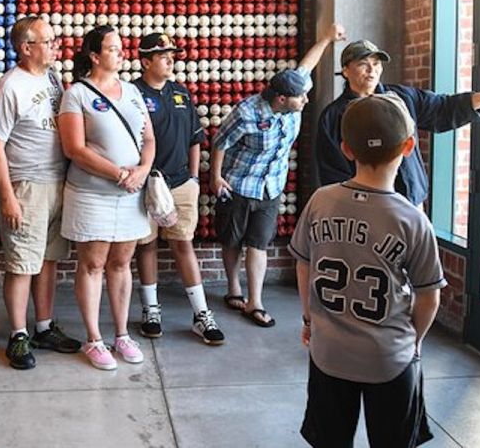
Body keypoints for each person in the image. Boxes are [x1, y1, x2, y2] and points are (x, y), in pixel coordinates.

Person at [290, 93, 446, 447]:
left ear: (346, 149)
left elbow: (304, 267)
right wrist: (414, 341)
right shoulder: (412, 218)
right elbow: (429, 297)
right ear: (408, 146)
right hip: (389, 357)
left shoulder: (321, 200)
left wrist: (309, 321)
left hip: (328, 352)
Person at [211, 23, 346, 328]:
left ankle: (254, 301)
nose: (306, 101)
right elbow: (221, 141)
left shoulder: (294, 90)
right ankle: (233, 288)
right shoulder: (247, 113)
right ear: (282, 99)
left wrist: (325, 37)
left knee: (259, 243)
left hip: (271, 187)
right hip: (240, 185)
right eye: (301, 98)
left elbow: (307, 65)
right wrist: (216, 178)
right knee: (232, 239)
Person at [316, 39, 480, 206]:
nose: (372, 70)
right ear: (345, 70)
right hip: (367, 208)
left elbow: (442, 108)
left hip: (412, 203)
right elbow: (332, 173)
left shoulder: (403, 97)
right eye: (363, 64)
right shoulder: (333, 116)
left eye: (376, 64)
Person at [0, 15, 81, 370]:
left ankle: (43, 326)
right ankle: (18, 334)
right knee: (22, 264)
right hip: (26, 186)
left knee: (48, 260)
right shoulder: (10, 85)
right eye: (49, 41)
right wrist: (7, 195)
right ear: (27, 48)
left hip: (58, 182)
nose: (55, 46)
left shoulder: (53, 79)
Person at [58, 25, 154, 371]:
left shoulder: (130, 91)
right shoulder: (77, 94)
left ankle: (122, 334)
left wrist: (142, 169)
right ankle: (94, 339)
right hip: (92, 194)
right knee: (94, 264)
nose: (121, 53)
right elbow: (75, 148)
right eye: (112, 48)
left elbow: (148, 138)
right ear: (95, 55)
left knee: (121, 263)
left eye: (120, 48)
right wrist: (118, 174)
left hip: (130, 193)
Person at [132, 32, 224, 345]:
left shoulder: (181, 92)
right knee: (146, 246)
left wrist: (195, 178)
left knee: (183, 244)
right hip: (146, 184)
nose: (170, 60)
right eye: (162, 55)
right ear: (145, 61)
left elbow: (195, 138)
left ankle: (201, 314)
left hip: (182, 183)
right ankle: (150, 310)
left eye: (172, 54)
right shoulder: (132, 93)